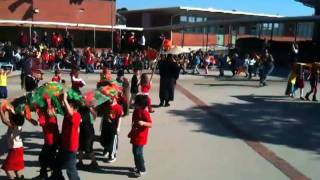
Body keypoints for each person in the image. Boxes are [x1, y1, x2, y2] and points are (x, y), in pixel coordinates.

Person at [0, 98, 37, 180]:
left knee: (7, 168)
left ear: (13, 121)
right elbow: (12, 114)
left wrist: (1, 110)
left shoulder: (14, 126)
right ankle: (20, 178)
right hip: (18, 149)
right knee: (16, 168)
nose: (10, 118)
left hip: (15, 150)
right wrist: (9, 108)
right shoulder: (17, 123)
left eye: (11, 119)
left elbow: (4, 120)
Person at [51, 92, 81, 180]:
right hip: (64, 145)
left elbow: (71, 112)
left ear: (75, 108)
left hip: (71, 147)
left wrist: (65, 99)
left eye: (70, 105)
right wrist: (61, 98)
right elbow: (63, 106)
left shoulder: (76, 115)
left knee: (70, 169)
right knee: (57, 164)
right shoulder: (67, 114)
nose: (67, 106)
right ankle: (57, 177)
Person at [128, 95, 153, 177]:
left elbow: (150, 124)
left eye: (136, 103)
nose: (134, 104)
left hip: (141, 137)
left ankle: (142, 169)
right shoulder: (136, 111)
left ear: (141, 105)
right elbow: (134, 120)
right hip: (135, 135)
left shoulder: (144, 112)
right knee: (135, 152)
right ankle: (138, 166)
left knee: (138, 153)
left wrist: (143, 123)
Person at [36, 96, 59, 179]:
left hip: (50, 140)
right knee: (46, 158)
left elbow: (40, 122)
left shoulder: (46, 112)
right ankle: (46, 174)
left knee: (46, 158)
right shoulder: (52, 110)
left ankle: (55, 175)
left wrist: (38, 111)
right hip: (53, 139)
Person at [100, 96, 123, 163]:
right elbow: (103, 116)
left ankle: (112, 155)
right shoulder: (106, 105)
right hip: (105, 125)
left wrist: (118, 128)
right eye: (108, 98)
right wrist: (101, 125)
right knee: (105, 139)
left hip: (113, 126)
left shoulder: (118, 107)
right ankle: (106, 149)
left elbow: (119, 118)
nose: (109, 99)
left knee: (112, 141)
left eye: (111, 98)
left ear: (115, 98)